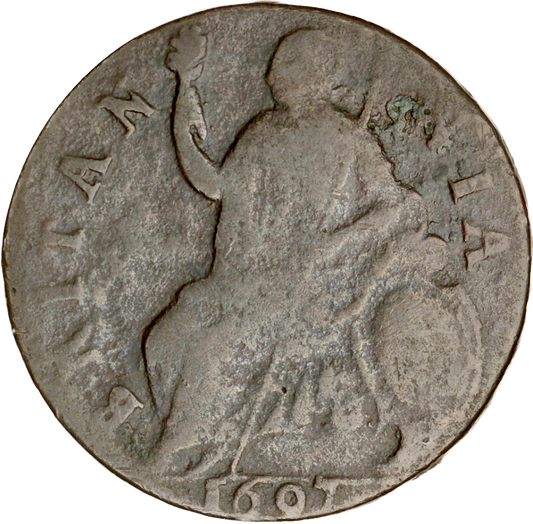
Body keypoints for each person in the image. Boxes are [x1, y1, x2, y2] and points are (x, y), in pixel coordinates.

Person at [137, 27, 481, 480]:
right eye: (276, 67)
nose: (271, 76)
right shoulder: (262, 133)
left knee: (215, 349)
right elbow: (214, 185)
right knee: (166, 338)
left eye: (286, 66)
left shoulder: (349, 141)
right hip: (245, 281)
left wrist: (341, 241)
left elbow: (399, 206)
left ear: (318, 76)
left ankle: (171, 451)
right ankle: (203, 443)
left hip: (312, 289)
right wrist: (185, 91)